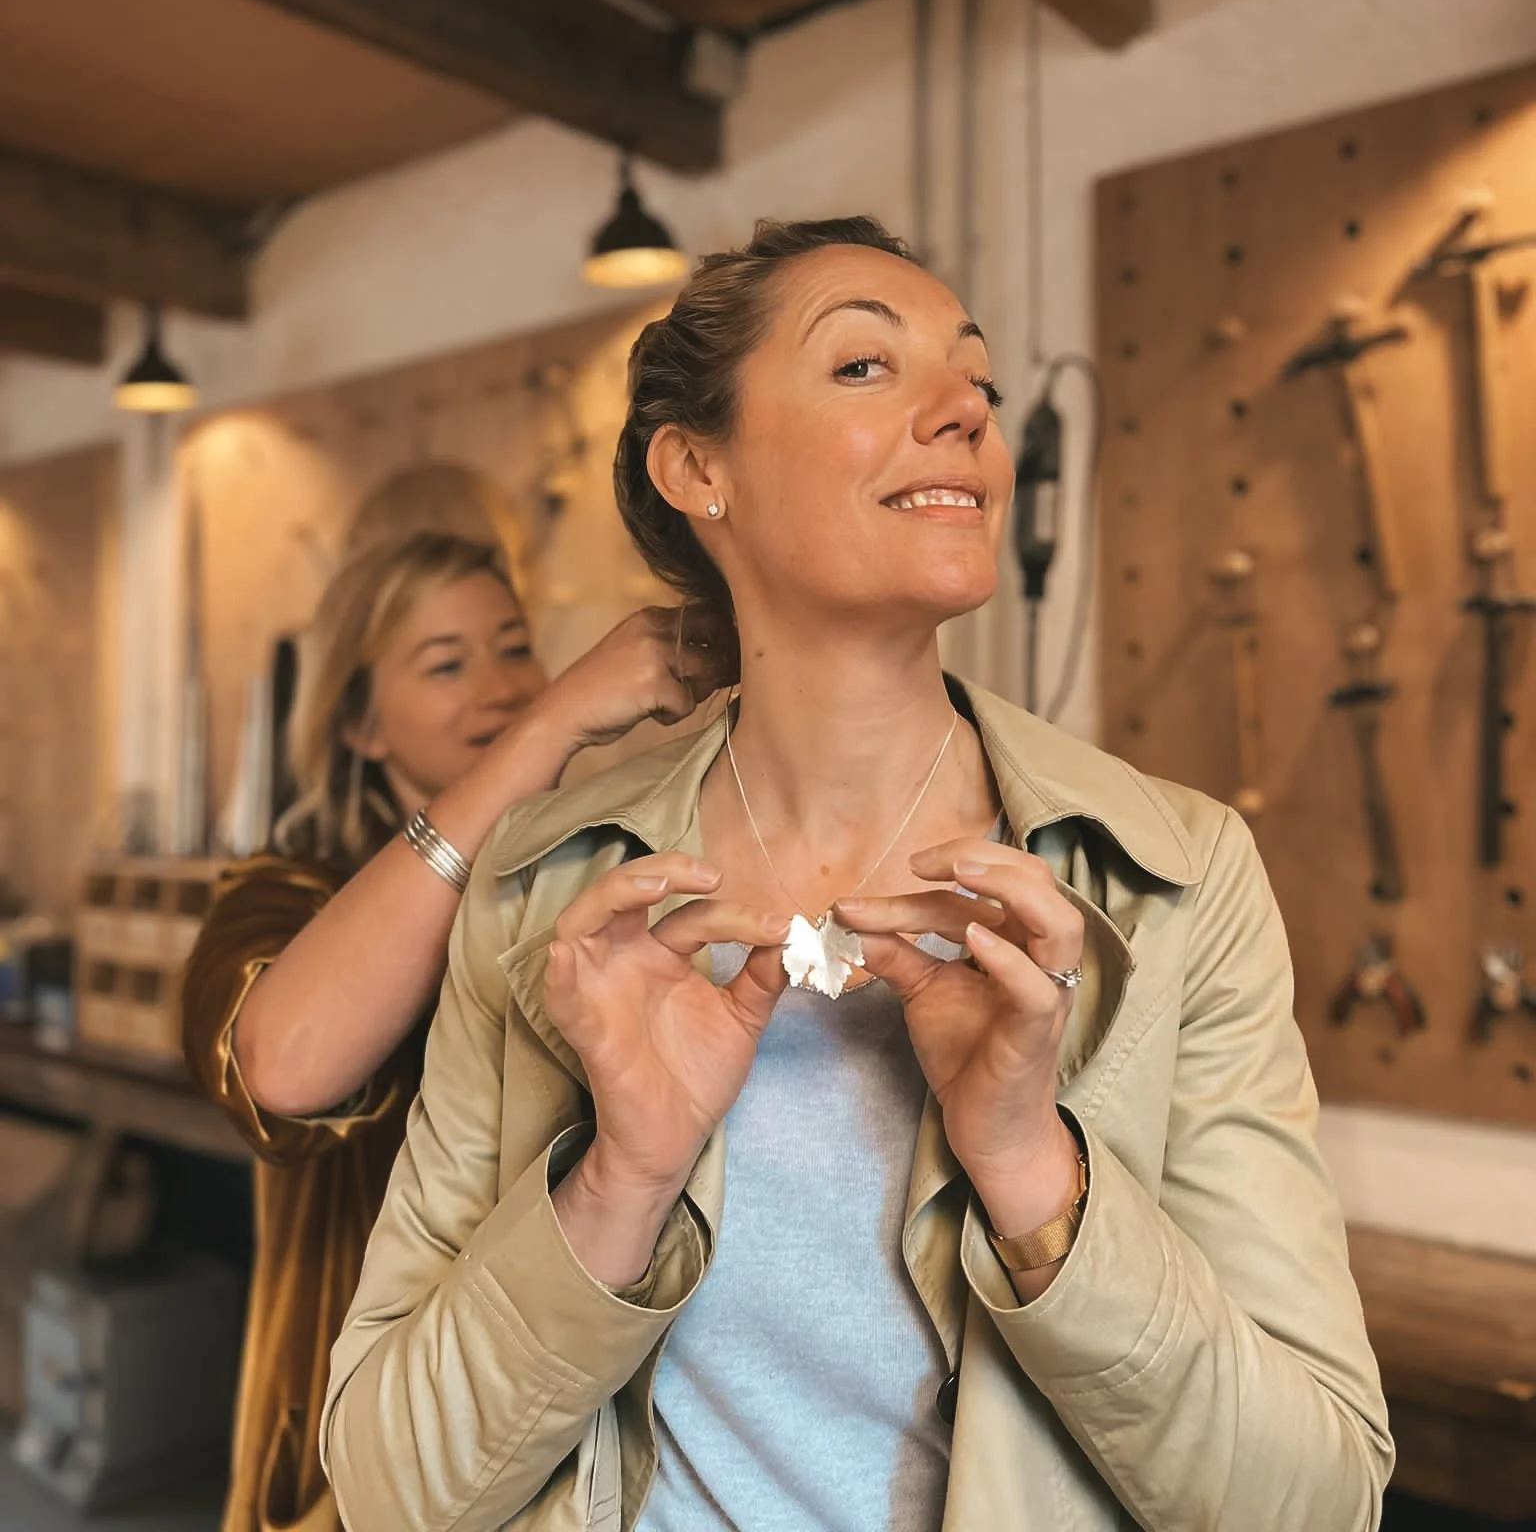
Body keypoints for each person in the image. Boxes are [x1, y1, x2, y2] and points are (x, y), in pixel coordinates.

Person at [320, 221, 1394, 1531]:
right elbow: (388, 1492)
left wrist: (1032, 1173)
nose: (966, 416)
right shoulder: (547, 892)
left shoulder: (1177, 881)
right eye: (865, 368)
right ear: (697, 466)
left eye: (980, 384)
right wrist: (618, 1180)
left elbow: (1321, 1501)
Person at [182, 529, 724, 1532]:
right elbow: (283, 1064)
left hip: (549, 1398)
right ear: (359, 725)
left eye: (514, 646)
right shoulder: (281, 893)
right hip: (357, 1437)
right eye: (445, 662)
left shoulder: (578, 875)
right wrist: (551, 722)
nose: (499, 684)